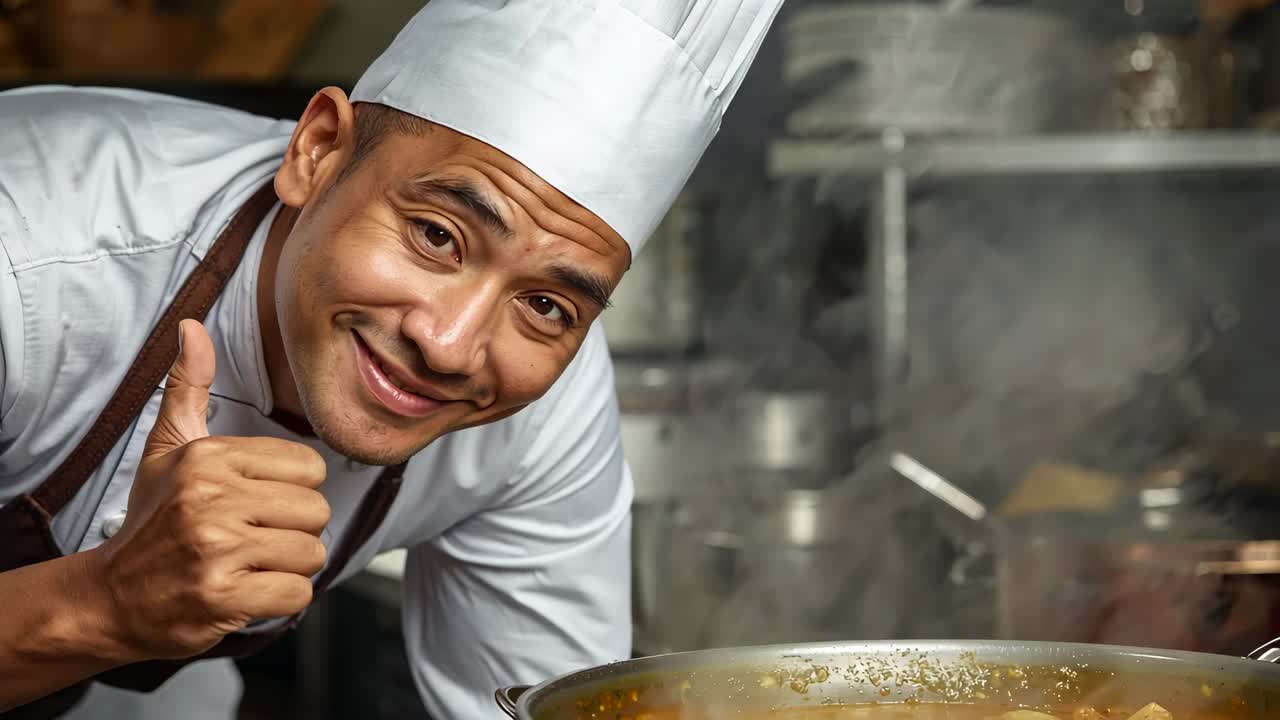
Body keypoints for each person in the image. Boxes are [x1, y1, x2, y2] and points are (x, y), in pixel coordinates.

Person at [0, 1, 783, 718]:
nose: (450, 346)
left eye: (547, 304)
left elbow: (541, 704)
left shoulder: (541, 409)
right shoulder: (29, 254)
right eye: (437, 235)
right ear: (317, 150)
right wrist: (102, 604)